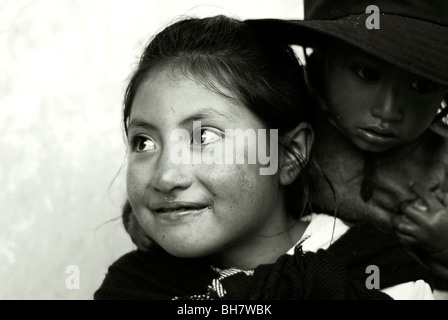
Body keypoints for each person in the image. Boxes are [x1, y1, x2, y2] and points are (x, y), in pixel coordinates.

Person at [94, 15, 432, 300]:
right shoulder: (133, 289)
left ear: (288, 154)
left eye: (204, 136)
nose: (166, 177)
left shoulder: (381, 279)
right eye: (143, 142)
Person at [246, 0, 448, 293]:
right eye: (366, 73)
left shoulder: (441, 160)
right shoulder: (282, 122)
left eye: (421, 86)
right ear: (319, 61)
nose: (388, 110)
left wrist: (443, 246)